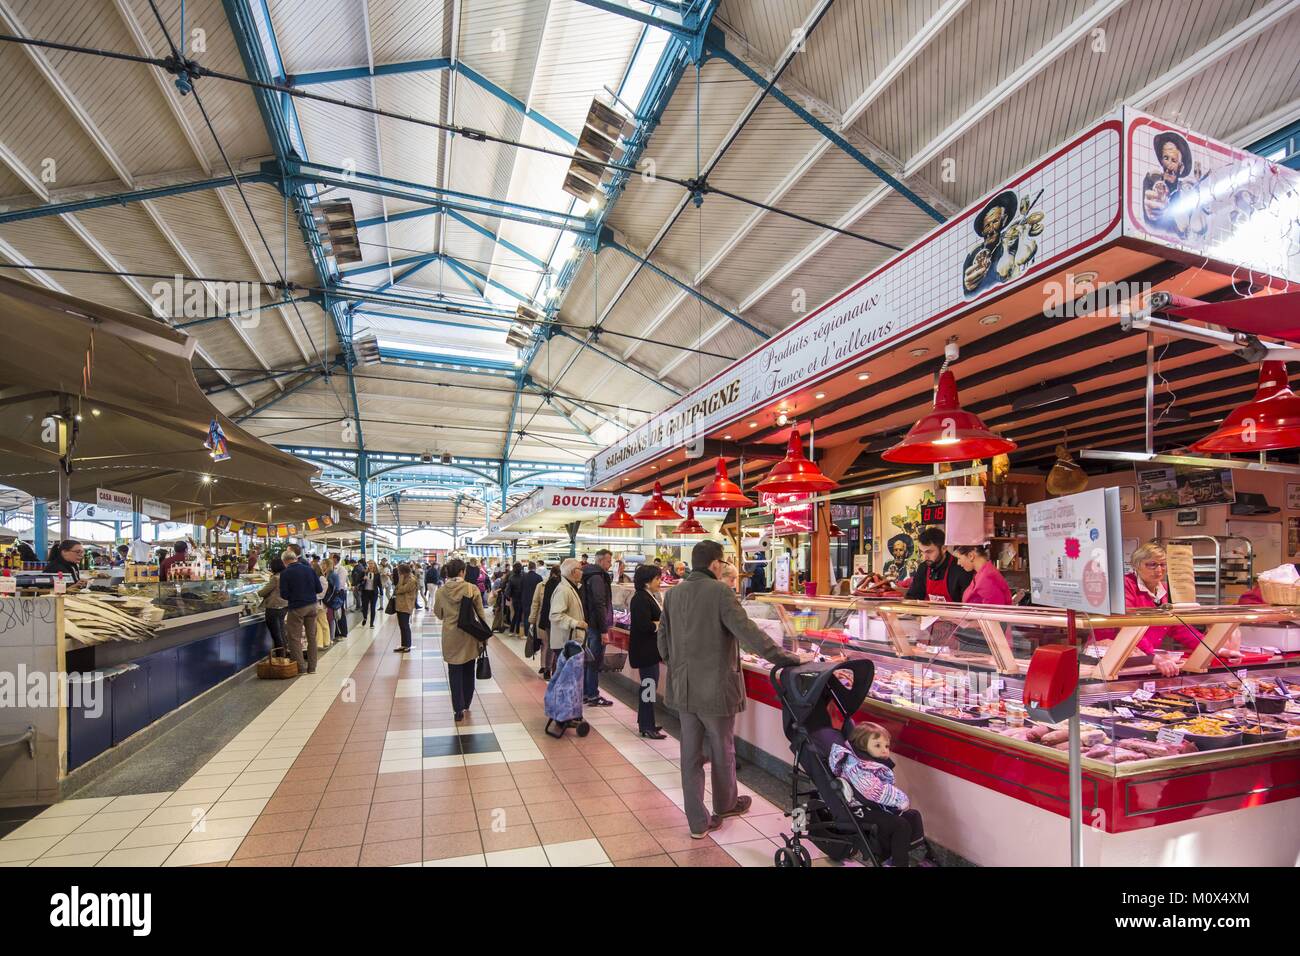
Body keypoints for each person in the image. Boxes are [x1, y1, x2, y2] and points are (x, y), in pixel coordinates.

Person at [657, 539, 807, 838]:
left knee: (690, 757)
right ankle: (725, 805)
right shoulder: (720, 592)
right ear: (715, 564)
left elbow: (662, 640)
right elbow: (750, 634)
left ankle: (698, 823)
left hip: (684, 688)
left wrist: (677, 666)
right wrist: (787, 658)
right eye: (723, 562)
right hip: (716, 688)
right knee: (722, 748)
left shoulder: (673, 594)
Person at [828, 722, 929, 867]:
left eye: (886, 746)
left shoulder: (868, 761)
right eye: (877, 746)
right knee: (900, 824)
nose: (884, 750)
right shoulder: (856, 766)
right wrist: (900, 800)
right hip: (859, 810)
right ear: (862, 745)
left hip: (872, 806)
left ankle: (898, 851)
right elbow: (875, 791)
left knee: (912, 816)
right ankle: (897, 863)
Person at [1092, 542, 1200, 676]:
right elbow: (1129, 625)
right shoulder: (1125, 586)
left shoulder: (1164, 590)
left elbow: (1177, 625)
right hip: (1111, 659)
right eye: (1152, 564)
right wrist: (1153, 656)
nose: (1159, 570)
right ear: (1137, 566)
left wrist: (1209, 648)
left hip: (1144, 658)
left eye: (1162, 564)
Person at [434, 558, 486, 721]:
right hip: (469, 635)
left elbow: (439, 613)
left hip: (450, 635)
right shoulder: (472, 589)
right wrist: (484, 635)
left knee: (454, 671)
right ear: (462, 572)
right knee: (468, 669)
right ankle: (467, 703)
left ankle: (458, 709)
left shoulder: (441, 591)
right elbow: (480, 613)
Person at [629, 563, 666, 739]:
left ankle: (646, 722)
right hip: (646, 652)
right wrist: (659, 625)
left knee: (648, 687)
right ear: (647, 581)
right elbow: (644, 625)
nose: (660, 581)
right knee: (649, 687)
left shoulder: (647, 596)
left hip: (649, 651)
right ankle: (646, 725)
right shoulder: (641, 598)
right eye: (657, 578)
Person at [580, 549, 615, 707]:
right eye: (608, 561)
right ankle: (593, 694)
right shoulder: (597, 577)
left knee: (589, 660)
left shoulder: (587, 574)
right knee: (594, 660)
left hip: (589, 624)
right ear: (600, 561)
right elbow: (599, 604)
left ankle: (587, 693)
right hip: (596, 626)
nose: (610, 564)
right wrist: (603, 630)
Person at [279, 544, 321, 674]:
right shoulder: (309, 569)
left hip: (297, 608)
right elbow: (319, 589)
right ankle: (312, 667)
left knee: (295, 638)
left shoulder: (285, 573)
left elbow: (284, 595)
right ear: (295, 558)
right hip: (312, 606)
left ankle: (301, 668)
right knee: (311, 637)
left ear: (285, 561)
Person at [904, 527, 972, 604]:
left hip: (955, 615)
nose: (924, 557)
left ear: (943, 548)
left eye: (929, 552)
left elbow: (967, 605)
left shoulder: (961, 568)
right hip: (930, 614)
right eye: (922, 552)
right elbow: (913, 597)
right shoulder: (923, 567)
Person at [550, 558, 588, 668]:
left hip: (570, 641)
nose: (582, 572)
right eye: (580, 569)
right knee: (566, 679)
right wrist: (575, 623)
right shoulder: (563, 590)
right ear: (573, 572)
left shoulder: (571, 588)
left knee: (568, 678)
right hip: (565, 642)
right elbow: (555, 615)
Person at [534, 564, 563, 677]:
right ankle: (549, 668)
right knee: (551, 645)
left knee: (548, 645)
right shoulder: (555, 583)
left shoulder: (548, 583)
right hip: (552, 619)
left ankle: (547, 668)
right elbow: (538, 603)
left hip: (548, 619)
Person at [258, 557, 288, 652]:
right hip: (284, 606)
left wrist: (259, 592)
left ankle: (280, 656)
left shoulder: (275, 578)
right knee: (282, 631)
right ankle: (285, 653)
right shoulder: (285, 576)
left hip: (273, 608)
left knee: (276, 634)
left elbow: (262, 592)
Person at [393, 563, 418, 653]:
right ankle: (404, 644)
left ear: (403, 572)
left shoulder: (412, 580)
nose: (398, 573)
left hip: (406, 605)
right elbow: (396, 589)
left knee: (405, 626)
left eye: (399, 572)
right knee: (402, 626)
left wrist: (400, 580)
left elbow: (400, 590)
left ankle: (407, 645)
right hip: (400, 605)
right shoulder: (405, 578)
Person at [519, 561, 543, 638]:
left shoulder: (523, 577)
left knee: (526, 616)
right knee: (535, 616)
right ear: (535, 568)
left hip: (525, 599)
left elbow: (521, 588)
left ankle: (526, 634)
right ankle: (534, 633)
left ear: (528, 567)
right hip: (535, 600)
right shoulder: (539, 577)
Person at [360, 560, 381, 627]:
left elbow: (379, 583)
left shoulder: (377, 574)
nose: (371, 565)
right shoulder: (364, 572)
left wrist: (381, 592)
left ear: (374, 565)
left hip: (373, 593)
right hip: (365, 592)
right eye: (369, 563)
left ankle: (371, 623)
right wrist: (363, 578)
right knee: (364, 607)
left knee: (373, 607)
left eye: (372, 563)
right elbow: (358, 580)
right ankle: (365, 618)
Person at [506, 562, 523, 633]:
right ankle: (516, 630)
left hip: (515, 598)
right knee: (518, 614)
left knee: (516, 613)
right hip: (522, 597)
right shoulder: (524, 577)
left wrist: (508, 597)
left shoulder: (511, 578)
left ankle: (513, 630)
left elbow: (508, 590)